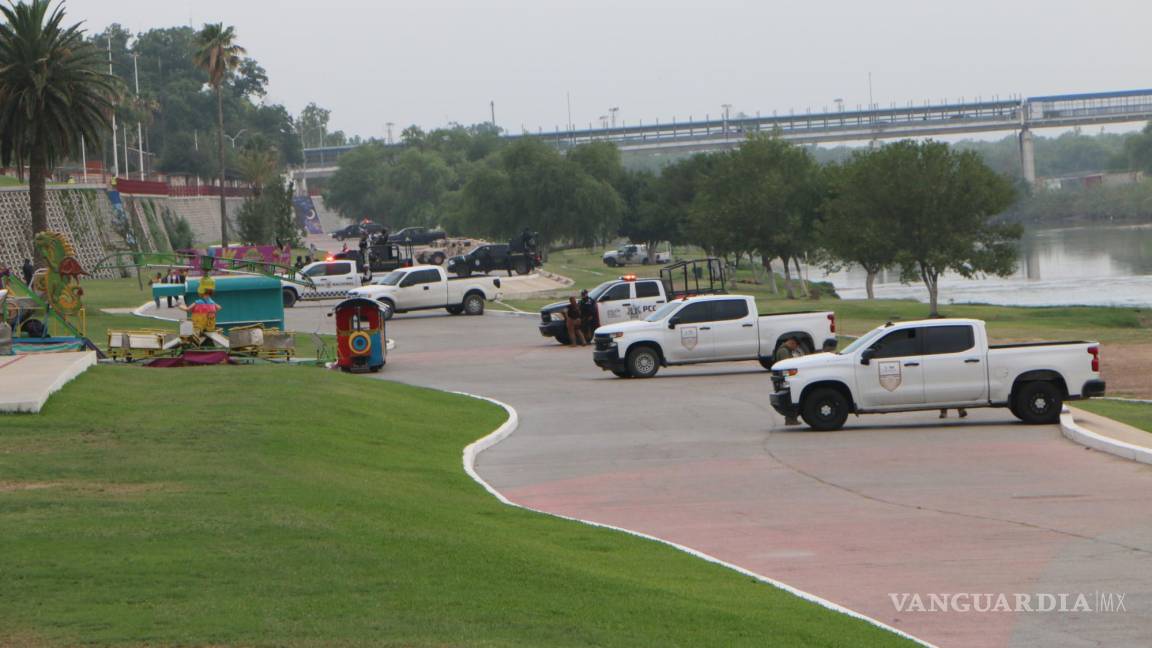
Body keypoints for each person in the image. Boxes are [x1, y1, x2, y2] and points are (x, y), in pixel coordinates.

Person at [774, 337, 806, 425]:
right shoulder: (784, 351)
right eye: (795, 346)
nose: (795, 348)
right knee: (790, 399)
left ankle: (791, 419)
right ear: (792, 343)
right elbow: (787, 365)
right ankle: (790, 419)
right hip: (786, 380)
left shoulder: (784, 350)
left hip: (785, 379)